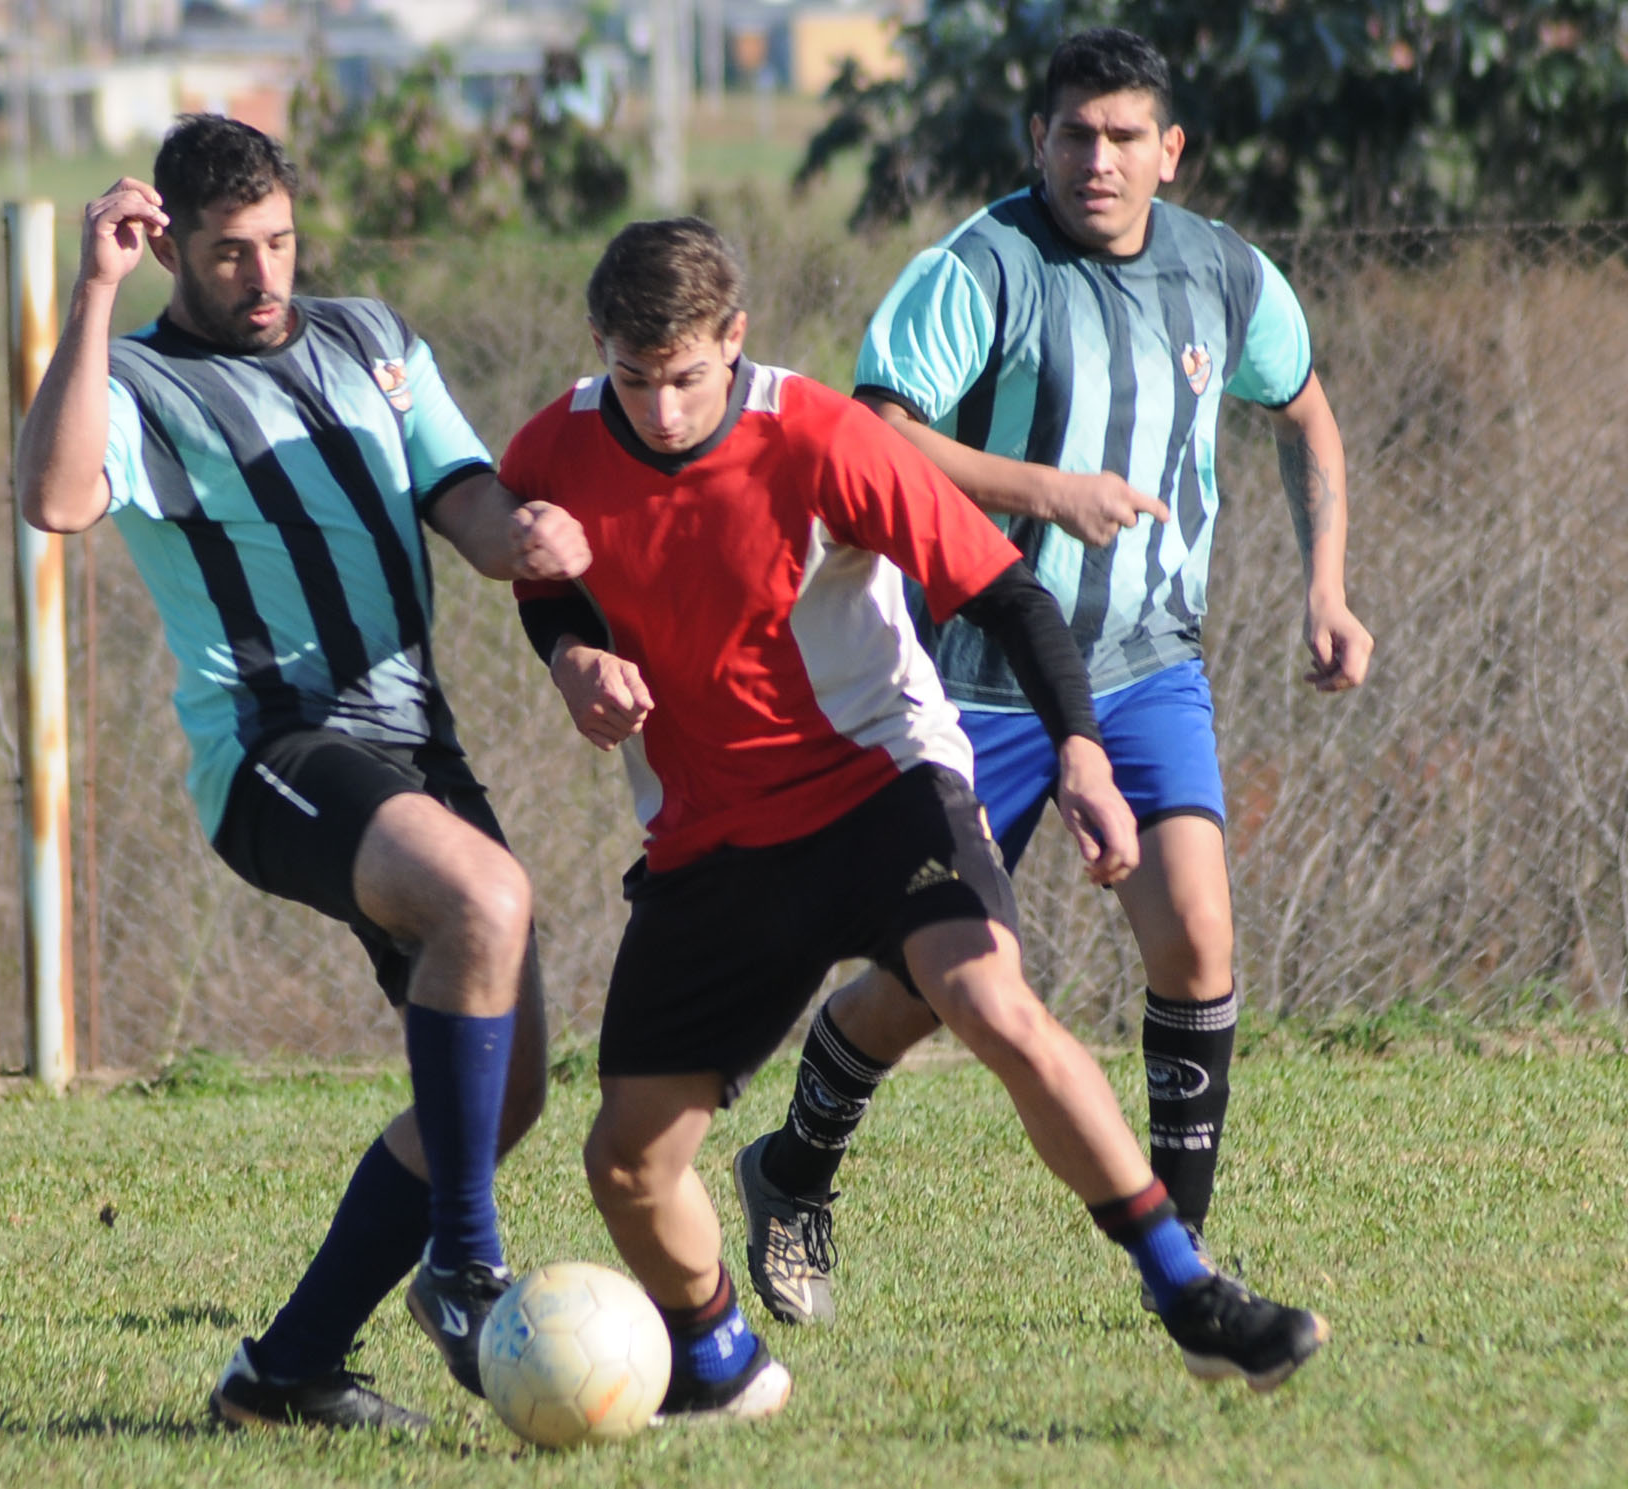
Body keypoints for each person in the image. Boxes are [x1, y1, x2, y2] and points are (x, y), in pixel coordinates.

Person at [502, 217, 1329, 1421]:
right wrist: (572, 655)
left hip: (878, 788)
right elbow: (543, 585)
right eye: (635, 379)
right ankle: (719, 1363)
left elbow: (1010, 595)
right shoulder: (554, 447)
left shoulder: (820, 436)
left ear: (734, 339)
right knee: (626, 1162)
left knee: (990, 1000)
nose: (663, 411)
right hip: (708, 836)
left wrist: (1081, 752)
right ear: (598, 347)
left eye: (685, 378)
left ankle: (1189, 1292)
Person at [732, 26, 1373, 1356]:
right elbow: (875, 433)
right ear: (1037, 138)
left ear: (1169, 150)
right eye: (1074, 133)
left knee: (1195, 935)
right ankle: (792, 1166)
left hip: (1145, 665)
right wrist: (1045, 493)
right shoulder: (979, 268)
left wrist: (1326, 587)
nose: (1097, 159)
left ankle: (1182, 1272)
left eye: (1124, 136)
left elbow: (1304, 410)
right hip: (971, 672)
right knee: (939, 982)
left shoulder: (1223, 274)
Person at [13, 115, 591, 1431]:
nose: (264, 274)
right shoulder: (138, 385)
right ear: (171, 250)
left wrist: (526, 536)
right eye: (230, 253)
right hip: (274, 747)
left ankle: (286, 1373)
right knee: (484, 899)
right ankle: (465, 1269)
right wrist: (91, 292)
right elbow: (53, 498)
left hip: (414, 745)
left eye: (278, 241)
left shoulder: (372, 338)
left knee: (501, 1095)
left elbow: (464, 496)